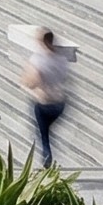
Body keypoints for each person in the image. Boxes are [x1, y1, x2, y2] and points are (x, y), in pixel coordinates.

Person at [20, 29, 73, 167]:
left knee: (43, 135)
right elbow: (65, 79)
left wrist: (25, 81)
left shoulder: (38, 59)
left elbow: (33, 81)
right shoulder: (61, 59)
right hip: (60, 103)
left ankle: (47, 160)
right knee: (48, 132)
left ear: (41, 41)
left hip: (43, 102)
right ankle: (48, 156)